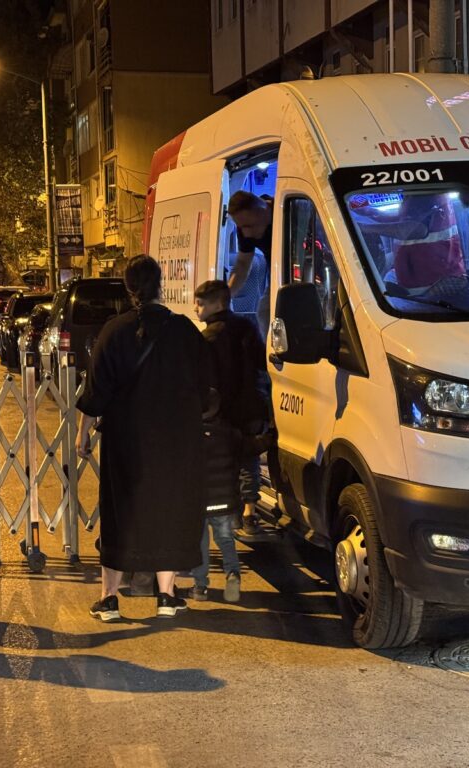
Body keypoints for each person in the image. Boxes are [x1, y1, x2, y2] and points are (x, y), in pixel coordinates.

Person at [77, 255, 210, 620]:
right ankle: (166, 595)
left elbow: (96, 390)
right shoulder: (184, 330)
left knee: (121, 512)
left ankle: (109, 599)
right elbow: (204, 385)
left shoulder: (113, 331)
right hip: (176, 440)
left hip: (126, 440)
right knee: (168, 508)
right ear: (160, 284)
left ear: (128, 288)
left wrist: (82, 433)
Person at [191, 280, 269, 602]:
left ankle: (200, 584)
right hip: (251, 406)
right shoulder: (248, 327)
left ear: (216, 304)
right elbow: (261, 364)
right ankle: (249, 511)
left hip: (224, 410)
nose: (196, 308)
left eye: (200, 303)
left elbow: (206, 378)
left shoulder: (208, 338)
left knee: (223, 464)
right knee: (247, 458)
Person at [227, 190, 274, 337]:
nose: (246, 234)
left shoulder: (285, 209)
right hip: (277, 276)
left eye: (248, 226)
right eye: (241, 227)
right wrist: (226, 296)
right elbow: (242, 264)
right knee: (265, 312)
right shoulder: (245, 227)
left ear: (263, 210)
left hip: (307, 270)